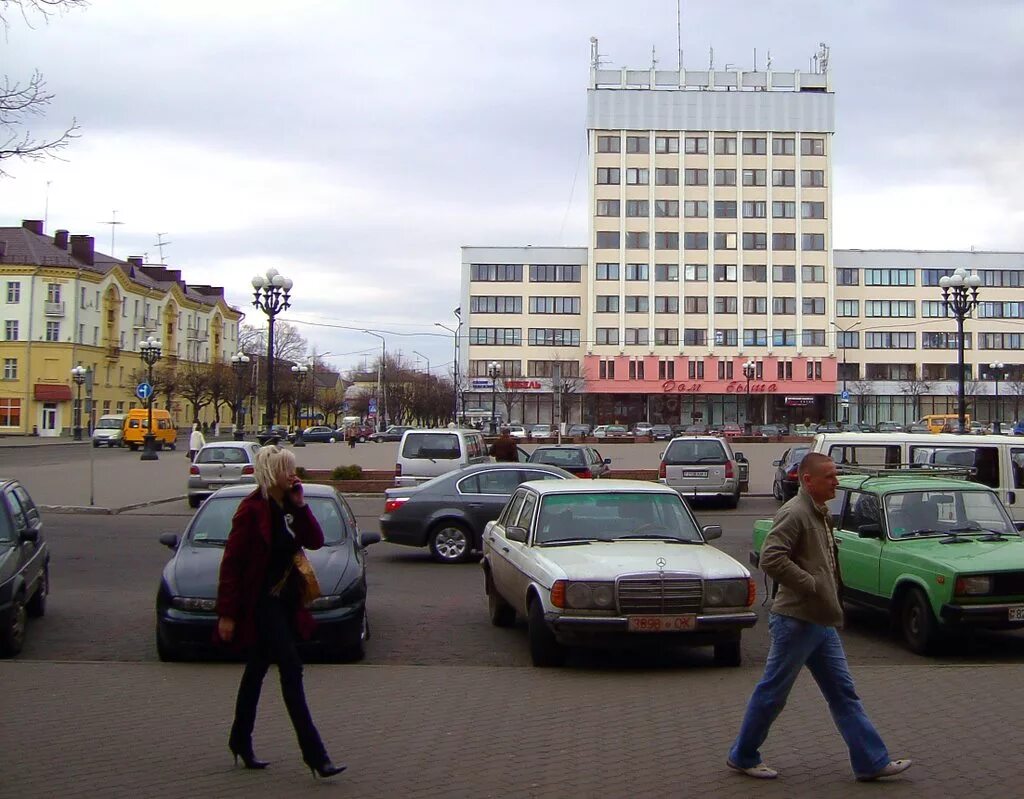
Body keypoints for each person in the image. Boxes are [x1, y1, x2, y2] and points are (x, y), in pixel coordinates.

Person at [727, 452, 911, 783]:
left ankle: (871, 761)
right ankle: (743, 754)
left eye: (835, 475)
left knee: (843, 692)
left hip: (820, 621)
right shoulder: (796, 513)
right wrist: (811, 585)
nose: (836, 482)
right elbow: (771, 557)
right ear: (807, 480)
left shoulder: (819, 513)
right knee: (773, 693)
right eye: (829, 476)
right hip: (796, 621)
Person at [215, 446, 345, 780]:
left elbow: (314, 540)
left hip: (287, 602)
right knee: (291, 669)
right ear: (273, 473)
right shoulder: (251, 510)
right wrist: (227, 614)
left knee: (256, 670)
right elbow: (231, 564)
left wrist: (301, 506)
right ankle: (316, 756)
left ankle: (239, 740)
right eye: (287, 469)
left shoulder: (288, 505)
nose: (293, 474)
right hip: (261, 603)